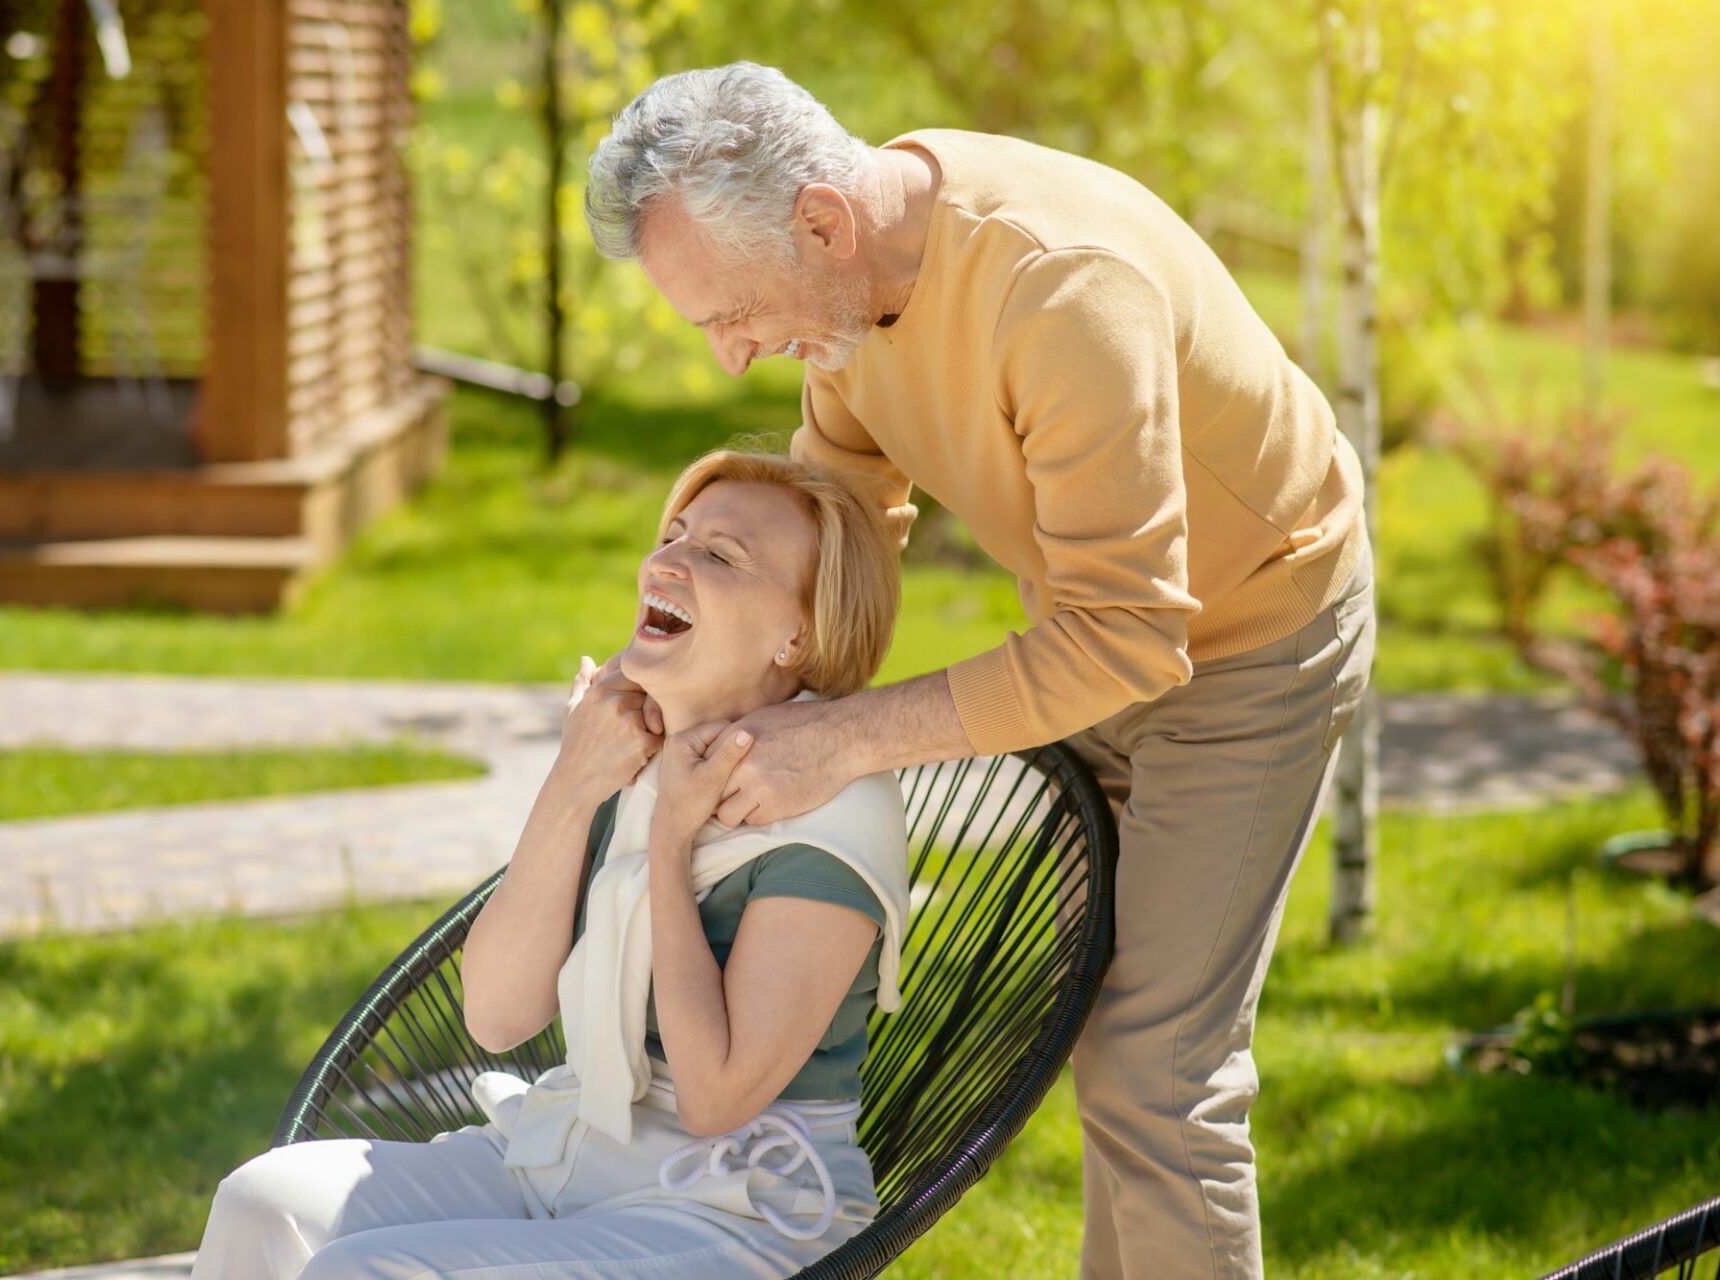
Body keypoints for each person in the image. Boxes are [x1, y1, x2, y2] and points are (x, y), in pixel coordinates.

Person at [584, 63, 1377, 1280]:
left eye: (732, 313)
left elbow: (1128, 634)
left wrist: (843, 741)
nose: (738, 358)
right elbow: (838, 524)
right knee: (1097, 1037)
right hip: (1095, 627)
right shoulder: (850, 286)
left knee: (1158, 1069)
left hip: (1253, 637)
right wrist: (728, 695)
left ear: (820, 221)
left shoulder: (1059, 290)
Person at [189, 450, 912, 1280]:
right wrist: (575, 779)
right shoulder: (635, 745)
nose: (667, 562)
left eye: (721, 554)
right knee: (263, 1202)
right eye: (673, 536)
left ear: (800, 635)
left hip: (732, 1207)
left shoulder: (830, 805)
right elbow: (497, 1015)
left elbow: (716, 1099)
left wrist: (673, 840)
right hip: (571, 1149)